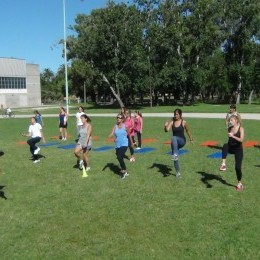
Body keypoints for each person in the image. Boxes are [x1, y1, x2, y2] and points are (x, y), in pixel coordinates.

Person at [164, 108, 193, 178]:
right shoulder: (172, 122)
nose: (175, 115)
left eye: (177, 114)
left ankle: (175, 154)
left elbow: (188, 131)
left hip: (182, 141)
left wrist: (191, 139)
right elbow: (166, 130)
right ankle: (178, 173)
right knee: (175, 157)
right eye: (175, 114)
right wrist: (165, 126)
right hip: (174, 143)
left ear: (180, 115)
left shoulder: (184, 122)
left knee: (173, 138)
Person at [219, 115, 244, 191]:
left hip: (238, 150)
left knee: (238, 167)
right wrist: (227, 117)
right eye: (230, 120)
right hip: (230, 147)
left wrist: (233, 136)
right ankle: (223, 164)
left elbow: (241, 140)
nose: (230, 122)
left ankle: (239, 183)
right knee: (225, 145)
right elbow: (226, 122)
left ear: (236, 121)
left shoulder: (241, 129)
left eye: (232, 120)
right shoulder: (229, 128)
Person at [109, 113, 134, 179]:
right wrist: (111, 136)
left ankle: (124, 171)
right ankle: (126, 171)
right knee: (120, 158)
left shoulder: (125, 126)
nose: (118, 119)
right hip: (117, 144)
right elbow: (112, 133)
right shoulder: (115, 126)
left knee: (119, 157)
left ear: (122, 119)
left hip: (124, 144)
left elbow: (129, 135)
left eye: (119, 118)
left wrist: (131, 143)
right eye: (117, 117)